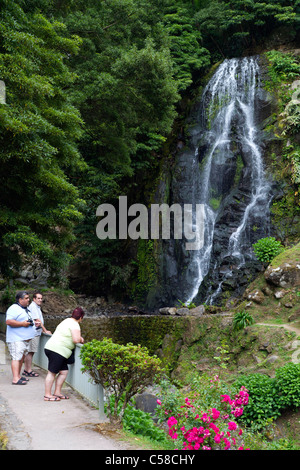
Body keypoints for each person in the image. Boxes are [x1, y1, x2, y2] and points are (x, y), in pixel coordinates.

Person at [43, 307, 85, 401]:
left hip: (53, 348)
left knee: (63, 372)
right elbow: (75, 339)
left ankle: (57, 392)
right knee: (52, 373)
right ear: (81, 317)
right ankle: (47, 395)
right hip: (57, 350)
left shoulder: (66, 321)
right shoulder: (75, 324)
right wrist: (81, 339)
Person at [6, 291, 41, 385]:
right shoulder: (14, 308)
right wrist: (22, 324)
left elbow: (27, 321)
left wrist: (34, 324)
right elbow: (8, 321)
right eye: (26, 298)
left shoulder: (25, 309)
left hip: (24, 340)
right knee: (16, 358)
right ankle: (15, 379)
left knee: (21, 358)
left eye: (28, 298)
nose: (28, 300)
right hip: (16, 339)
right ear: (20, 299)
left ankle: (18, 376)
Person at [23, 291, 52, 378]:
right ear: (34, 299)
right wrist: (45, 330)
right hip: (34, 333)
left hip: (35, 332)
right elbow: (37, 320)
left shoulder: (36, 306)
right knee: (30, 352)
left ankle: (27, 369)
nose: (40, 300)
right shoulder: (33, 306)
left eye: (41, 298)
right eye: (38, 298)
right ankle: (28, 370)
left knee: (30, 351)